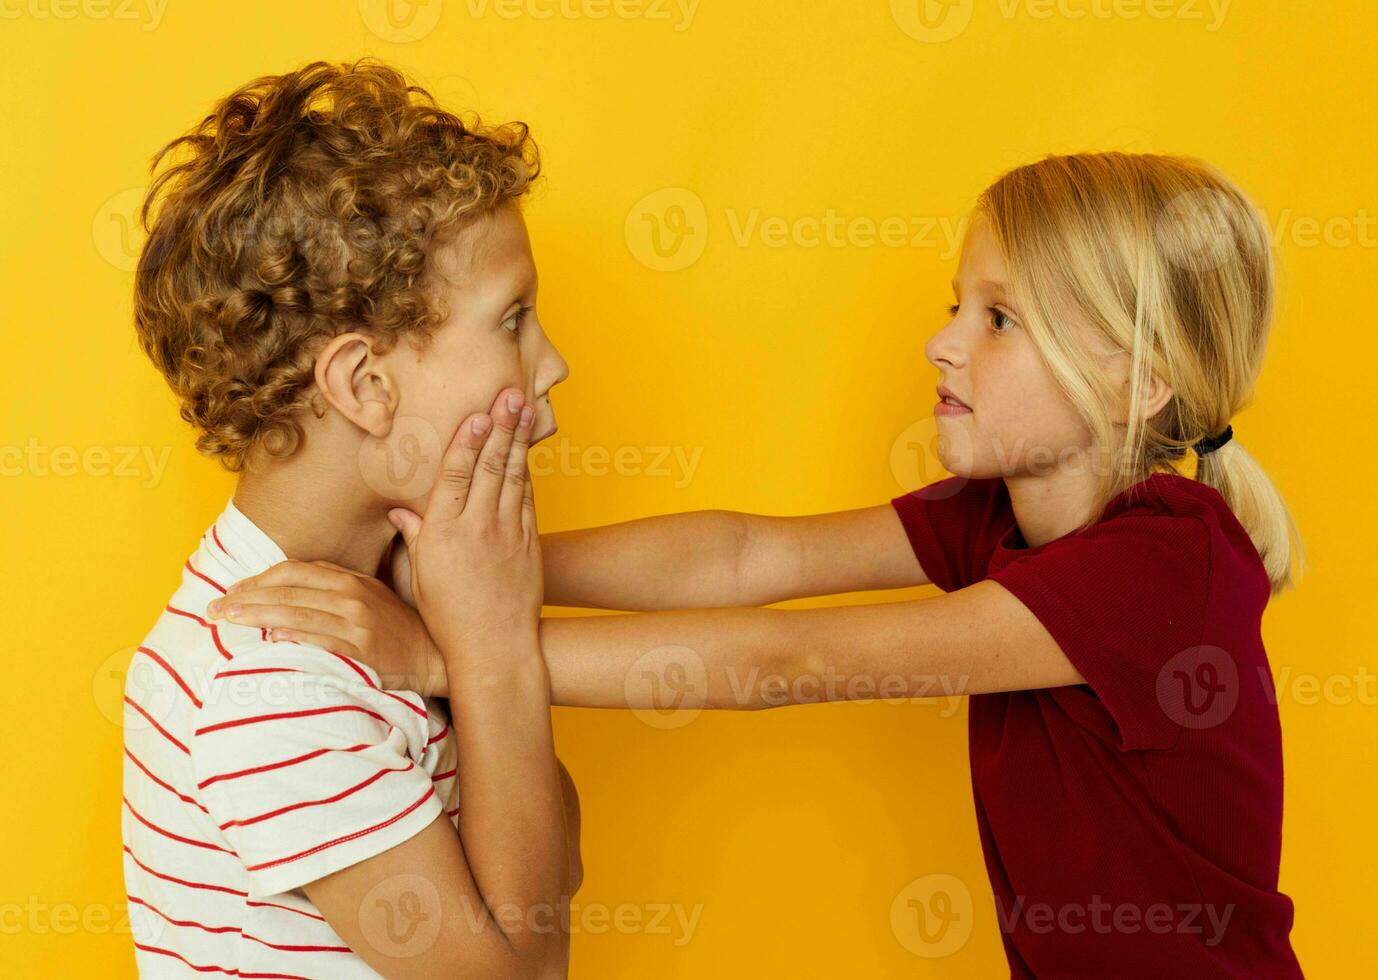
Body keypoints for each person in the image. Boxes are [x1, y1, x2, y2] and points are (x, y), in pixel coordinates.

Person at [223, 151, 1306, 976]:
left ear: (1138, 381)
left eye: (1000, 318)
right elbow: (748, 554)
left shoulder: (1165, 564)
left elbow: (789, 657)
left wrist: (463, 647)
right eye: (955, 306)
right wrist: (477, 568)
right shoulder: (999, 519)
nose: (941, 342)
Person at [122, 59, 579, 978]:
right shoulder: (269, 688)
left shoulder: (387, 599)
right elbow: (526, 971)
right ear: (364, 386)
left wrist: (465, 643)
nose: (554, 362)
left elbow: (555, 863)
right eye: (513, 320)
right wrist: (487, 654)